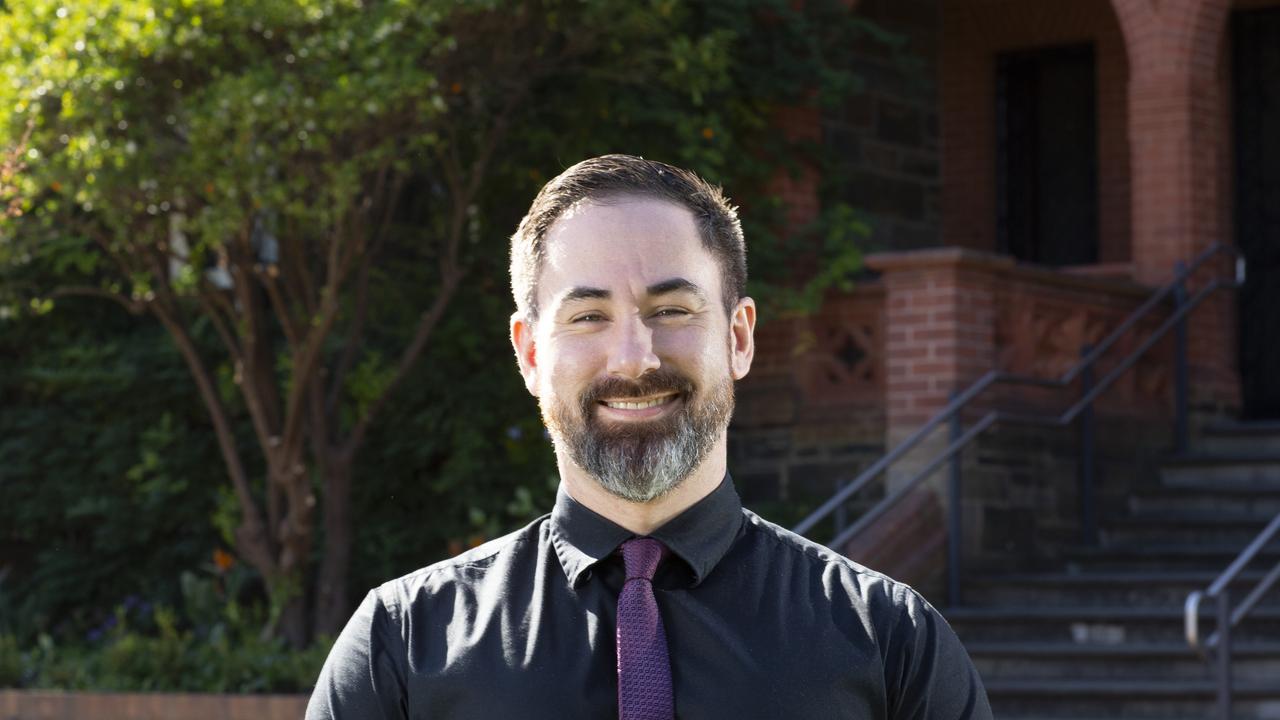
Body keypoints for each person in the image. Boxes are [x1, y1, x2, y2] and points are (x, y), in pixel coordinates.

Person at [306, 155, 992, 719]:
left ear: (739, 337)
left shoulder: (893, 643)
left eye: (671, 309)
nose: (635, 358)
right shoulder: (401, 646)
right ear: (530, 355)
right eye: (588, 317)